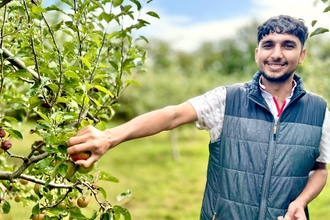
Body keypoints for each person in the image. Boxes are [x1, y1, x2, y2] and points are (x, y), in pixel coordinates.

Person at [66, 15, 330, 220]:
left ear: (302, 54)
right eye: (268, 45)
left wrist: (301, 202)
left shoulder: (319, 111)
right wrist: (110, 136)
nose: (276, 54)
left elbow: (319, 169)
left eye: (288, 46)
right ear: (257, 53)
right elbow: (172, 115)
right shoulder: (228, 99)